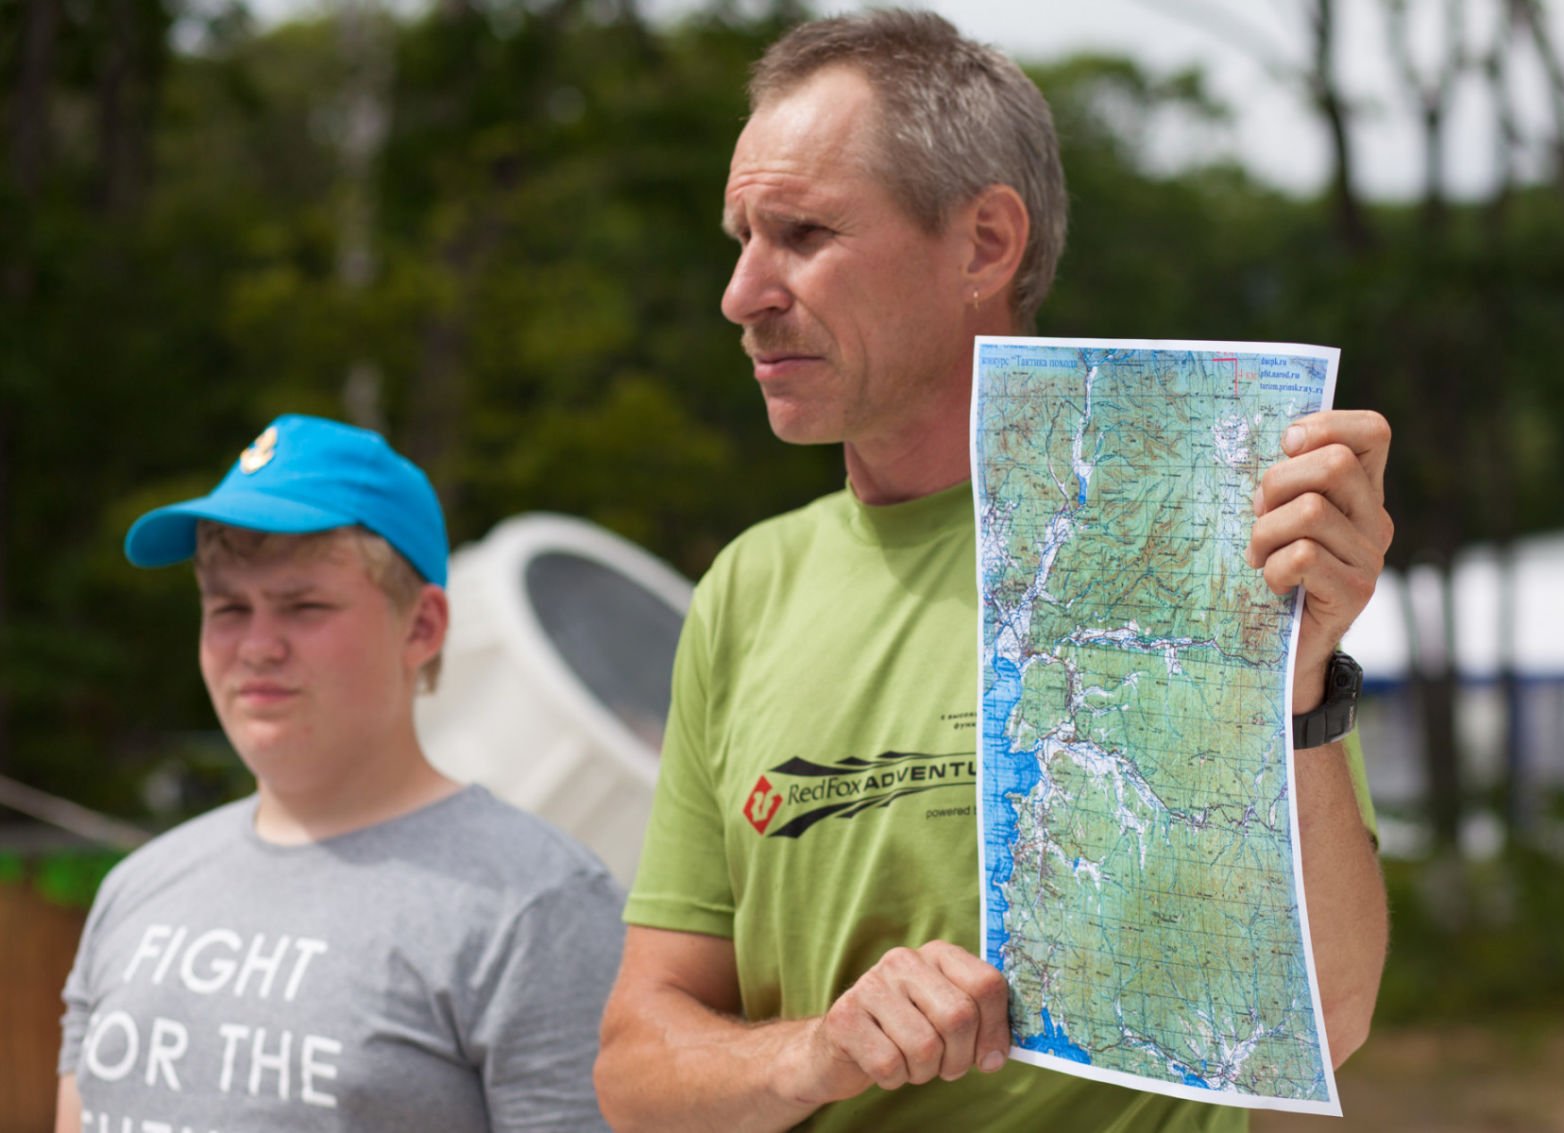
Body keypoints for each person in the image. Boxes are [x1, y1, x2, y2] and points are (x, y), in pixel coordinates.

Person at [594, 10, 1392, 1133]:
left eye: (802, 233)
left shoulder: (1183, 543)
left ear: (983, 244)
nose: (742, 293)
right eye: (742, 238)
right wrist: (813, 1053)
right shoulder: (747, 585)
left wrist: (1297, 688)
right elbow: (634, 1070)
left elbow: (1329, 1018)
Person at [57, 414, 623, 1132]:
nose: (257, 646)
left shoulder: (538, 905)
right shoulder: (137, 888)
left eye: (304, 606)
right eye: (228, 607)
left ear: (422, 626)